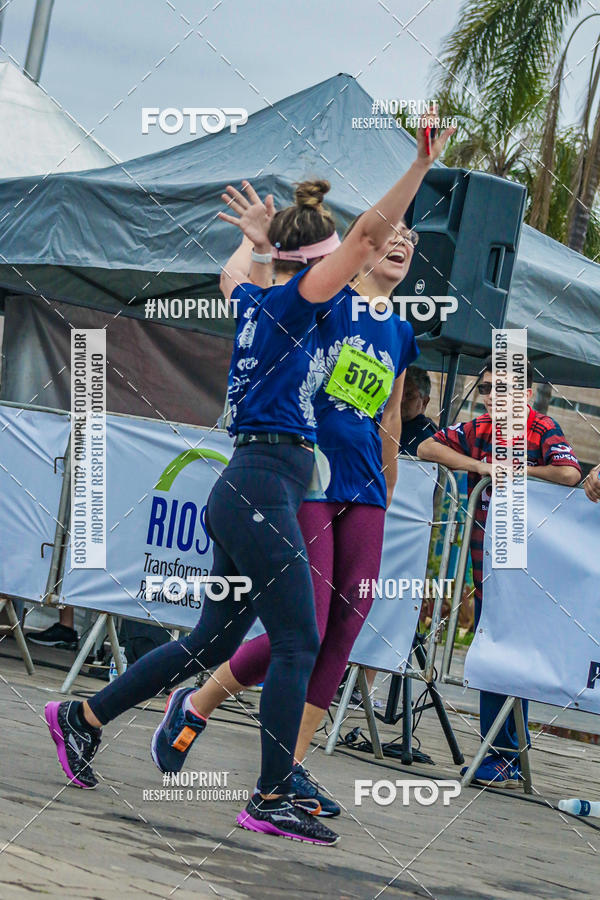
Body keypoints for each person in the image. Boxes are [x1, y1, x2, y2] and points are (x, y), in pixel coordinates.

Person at [44, 115, 452, 845]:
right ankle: (269, 794)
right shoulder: (296, 304)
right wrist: (419, 167)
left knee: (211, 641)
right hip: (263, 488)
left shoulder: (257, 301)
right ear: (319, 266)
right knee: (299, 640)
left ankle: (83, 716)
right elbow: (363, 238)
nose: (351, 257)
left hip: (247, 490)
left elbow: (238, 273)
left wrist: (254, 243)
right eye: (333, 255)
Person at [150, 194, 426, 816]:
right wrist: (258, 245)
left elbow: (388, 416)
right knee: (306, 624)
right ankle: (200, 702)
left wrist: (388, 485)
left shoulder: (401, 332)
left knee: (346, 626)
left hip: (366, 489)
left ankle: (291, 768)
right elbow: (246, 291)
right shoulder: (324, 301)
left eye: (411, 238)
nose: (401, 241)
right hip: (305, 477)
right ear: (361, 246)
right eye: (392, 232)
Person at [417, 356, 581, 786]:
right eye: (487, 388)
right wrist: (479, 467)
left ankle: (502, 754)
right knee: (497, 646)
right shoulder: (480, 429)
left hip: (530, 563)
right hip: (483, 558)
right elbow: (425, 447)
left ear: (525, 395)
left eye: (502, 389)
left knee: (507, 650)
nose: (491, 397)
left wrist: (514, 472)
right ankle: (507, 753)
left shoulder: (542, 427)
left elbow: (568, 472)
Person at [399, 366, 437, 455]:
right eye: (398, 393)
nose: (401, 400)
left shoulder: (424, 435)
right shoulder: (384, 422)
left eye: (409, 395)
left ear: (424, 402)